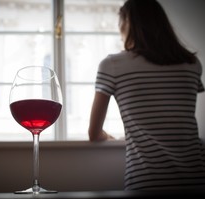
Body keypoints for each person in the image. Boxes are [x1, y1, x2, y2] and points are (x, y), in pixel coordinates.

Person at [88, 0, 205, 190]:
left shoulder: (112, 65)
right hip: (196, 180)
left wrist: (106, 136)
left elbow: (94, 133)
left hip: (146, 182)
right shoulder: (192, 64)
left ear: (126, 24)